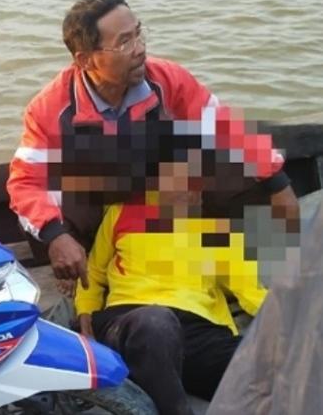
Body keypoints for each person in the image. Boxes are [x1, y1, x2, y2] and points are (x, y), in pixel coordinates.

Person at [6, 0, 299, 288]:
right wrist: (56, 236)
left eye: (138, 33)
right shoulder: (49, 108)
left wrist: (278, 184)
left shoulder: (167, 78)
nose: (140, 49)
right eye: (124, 42)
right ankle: (89, 269)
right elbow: (25, 183)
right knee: (51, 203)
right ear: (85, 60)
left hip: (149, 193)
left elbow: (224, 125)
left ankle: (223, 255)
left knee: (231, 165)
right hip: (93, 203)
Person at [75, 131, 268, 415]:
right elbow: (92, 274)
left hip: (197, 333)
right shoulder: (121, 213)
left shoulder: (218, 231)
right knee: (156, 323)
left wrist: (293, 326)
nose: (186, 188)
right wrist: (85, 317)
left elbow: (252, 293)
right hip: (132, 323)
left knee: (269, 370)